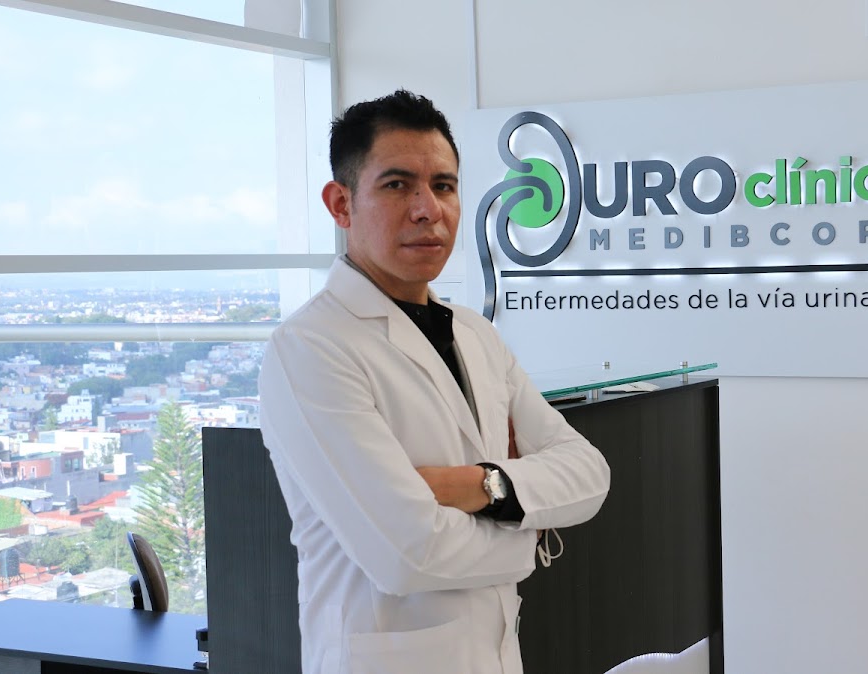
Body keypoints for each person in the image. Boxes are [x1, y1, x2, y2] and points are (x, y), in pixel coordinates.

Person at [258, 90, 611, 674]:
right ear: (341, 204)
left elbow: (590, 473)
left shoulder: (475, 334)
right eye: (397, 185)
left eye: (443, 186)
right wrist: (532, 530)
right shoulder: (310, 348)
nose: (428, 210)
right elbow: (407, 553)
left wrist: (483, 487)